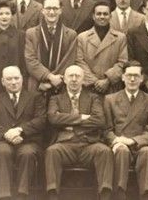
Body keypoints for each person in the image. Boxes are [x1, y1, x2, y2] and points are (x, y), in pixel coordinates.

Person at [45, 65, 113, 200]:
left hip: (89, 144)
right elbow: (53, 118)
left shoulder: (94, 98)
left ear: (83, 79)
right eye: (71, 76)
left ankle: (105, 196)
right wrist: (82, 117)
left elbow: (99, 120)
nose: (74, 79)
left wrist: (66, 120)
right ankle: (53, 196)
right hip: (65, 145)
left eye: (78, 76)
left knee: (105, 151)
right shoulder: (56, 99)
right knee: (52, 152)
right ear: (64, 79)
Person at [0, 66, 46, 200]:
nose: (13, 82)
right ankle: (4, 196)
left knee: (28, 153)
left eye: (16, 78)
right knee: (2, 151)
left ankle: (21, 196)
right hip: (3, 141)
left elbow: (41, 120)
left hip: (28, 141)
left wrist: (20, 130)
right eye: (9, 79)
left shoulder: (35, 97)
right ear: (2, 81)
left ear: (22, 79)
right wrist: (6, 134)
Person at [103, 61, 148, 200]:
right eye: (129, 75)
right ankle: (119, 194)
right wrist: (116, 141)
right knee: (122, 151)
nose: (132, 79)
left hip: (140, 145)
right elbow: (106, 129)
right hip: (119, 144)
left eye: (136, 75)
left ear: (142, 78)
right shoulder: (110, 99)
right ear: (122, 77)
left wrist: (132, 141)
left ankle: (146, 195)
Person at [25, 0, 77, 93]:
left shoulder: (71, 34)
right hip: (37, 84)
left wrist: (55, 80)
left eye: (55, 8)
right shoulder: (31, 33)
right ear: (42, 10)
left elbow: (69, 61)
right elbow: (30, 61)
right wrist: (49, 77)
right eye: (48, 8)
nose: (52, 12)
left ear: (60, 10)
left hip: (60, 85)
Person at [76, 1, 128, 94]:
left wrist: (107, 80)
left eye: (105, 14)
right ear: (93, 16)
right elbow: (79, 61)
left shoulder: (120, 37)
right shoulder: (82, 37)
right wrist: (95, 81)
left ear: (110, 16)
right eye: (99, 14)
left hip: (112, 89)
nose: (102, 17)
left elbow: (123, 62)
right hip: (89, 88)